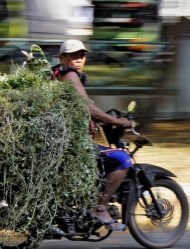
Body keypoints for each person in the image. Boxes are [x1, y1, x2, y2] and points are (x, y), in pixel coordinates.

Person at [52, 39, 133, 231]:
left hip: (62, 141)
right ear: (62, 58)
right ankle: (100, 208)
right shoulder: (69, 74)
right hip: (74, 145)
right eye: (73, 55)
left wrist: (101, 119)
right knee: (122, 159)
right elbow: (86, 106)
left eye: (82, 55)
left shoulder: (56, 75)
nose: (79, 59)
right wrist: (116, 121)